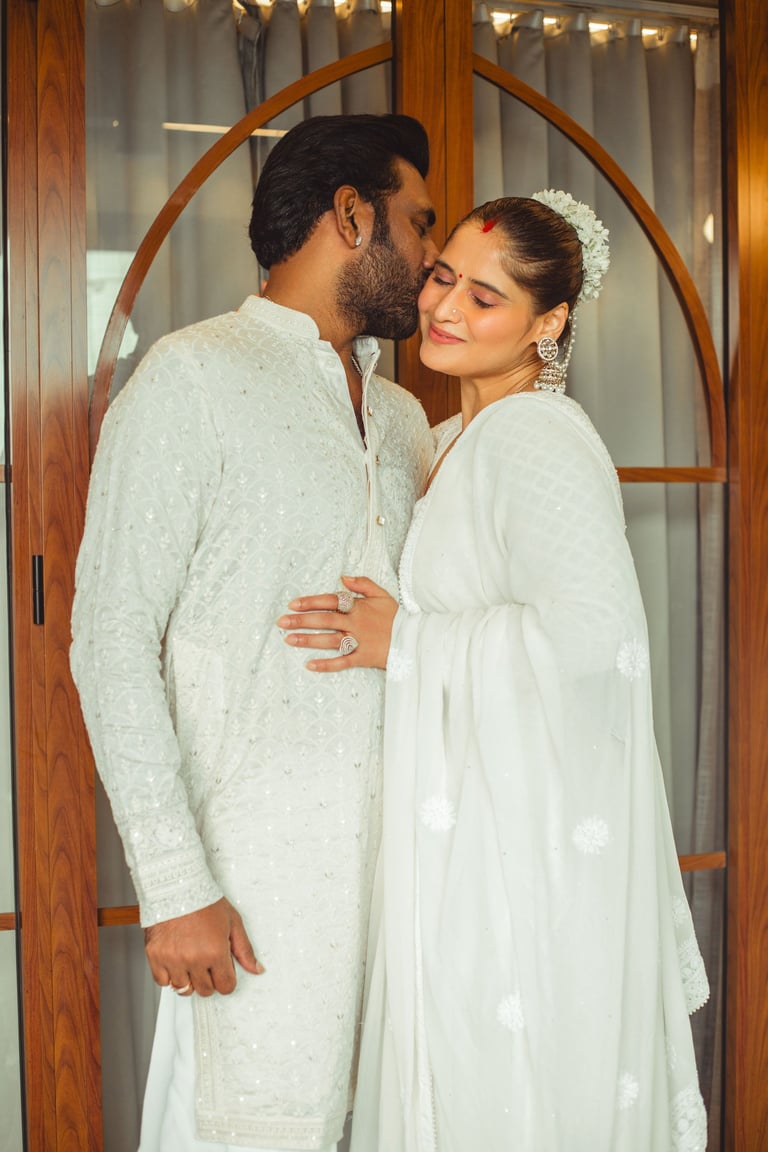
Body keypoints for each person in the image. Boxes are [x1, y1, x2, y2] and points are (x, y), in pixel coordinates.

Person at [277, 192, 710, 1151]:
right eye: (443, 278)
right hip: (459, 823)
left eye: (485, 298)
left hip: (518, 844)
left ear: (547, 324)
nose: (443, 308)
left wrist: (409, 641)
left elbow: (591, 641)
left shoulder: (537, 436)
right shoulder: (445, 442)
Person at [70, 113, 439, 1152]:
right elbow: (109, 639)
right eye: (418, 222)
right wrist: (175, 886)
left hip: (405, 880)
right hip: (255, 886)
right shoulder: (192, 377)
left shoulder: (403, 419)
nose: (431, 256)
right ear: (351, 215)